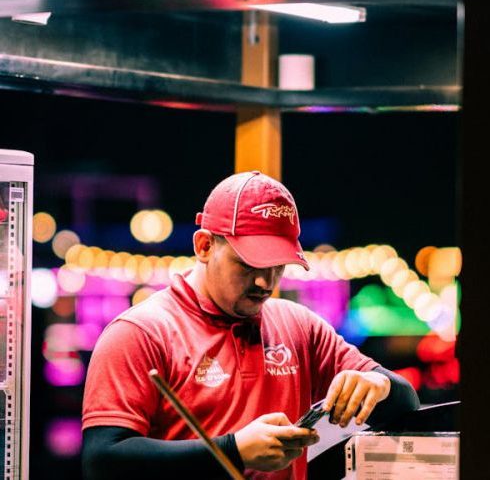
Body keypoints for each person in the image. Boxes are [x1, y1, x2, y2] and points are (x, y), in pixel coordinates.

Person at [82, 170, 419, 480]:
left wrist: (379, 383)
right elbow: (102, 460)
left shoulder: (298, 326)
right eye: (247, 264)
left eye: (278, 266)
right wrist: (234, 450)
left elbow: (407, 405)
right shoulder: (140, 333)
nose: (265, 282)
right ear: (204, 246)